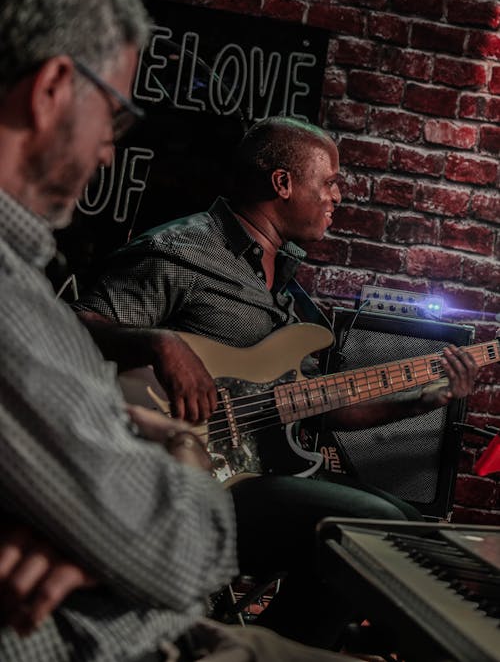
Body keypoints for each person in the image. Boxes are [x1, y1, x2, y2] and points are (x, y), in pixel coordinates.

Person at [0, 0, 358, 662]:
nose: (112, 146)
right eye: (117, 113)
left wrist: (91, 532)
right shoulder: (18, 299)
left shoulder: (292, 292)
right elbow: (180, 560)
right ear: (54, 90)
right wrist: (169, 447)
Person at [74, 116, 479, 646]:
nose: (337, 196)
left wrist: (426, 399)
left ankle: (270, 646)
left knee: (408, 530)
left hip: (255, 471)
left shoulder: (291, 296)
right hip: (184, 477)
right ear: (282, 183)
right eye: (328, 181)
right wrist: (161, 342)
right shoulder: (184, 250)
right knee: (363, 527)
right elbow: (73, 322)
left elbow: (320, 407)